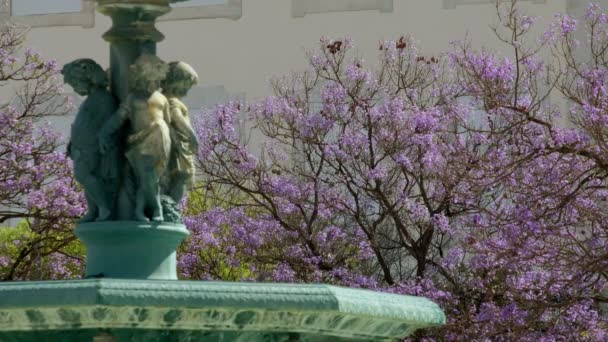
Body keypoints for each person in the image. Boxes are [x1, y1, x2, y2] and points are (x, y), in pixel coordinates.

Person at [99, 54, 171, 222]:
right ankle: (156, 208)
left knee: (151, 178)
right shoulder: (133, 98)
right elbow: (118, 118)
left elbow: (167, 121)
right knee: (147, 177)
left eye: (154, 73)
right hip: (140, 142)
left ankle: (139, 210)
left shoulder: (161, 98)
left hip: (161, 140)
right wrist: (105, 132)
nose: (151, 78)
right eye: (147, 72)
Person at [62, 59, 118, 222]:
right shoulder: (92, 98)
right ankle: (94, 210)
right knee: (86, 179)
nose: (75, 88)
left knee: (84, 175)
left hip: (92, 147)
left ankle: (104, 207)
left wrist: (102, 137)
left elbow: (108, 120)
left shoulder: (103, 97)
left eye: (76, 83)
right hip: (81, 148)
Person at [161, 61, 200, 203]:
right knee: (181, 177)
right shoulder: (172, 101)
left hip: (178, 145)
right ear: (177, 81)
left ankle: (170, 204)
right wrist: (192, 136)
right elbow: (177, 118)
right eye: (187, 85)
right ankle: (172, 205)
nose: (187, 90)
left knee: (178, 179)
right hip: (178, 147)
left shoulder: (166, 99)